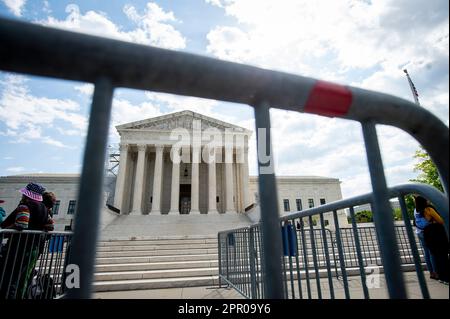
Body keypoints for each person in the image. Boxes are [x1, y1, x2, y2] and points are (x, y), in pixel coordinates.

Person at [0, 182, 50, 299]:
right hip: (34, 248)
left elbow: (21, 224)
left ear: (27, 195)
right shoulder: (45, 209)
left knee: (10, 278)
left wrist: (5, 230)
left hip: (19, 248)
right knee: (23, 278)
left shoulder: (25, 206)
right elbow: (50, 226)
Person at [414, 195, 449, 284]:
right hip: (432, 232)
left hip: (422, 232)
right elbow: (440, 220)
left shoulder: (416, 210)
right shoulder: (428, 209)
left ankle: (432, 273)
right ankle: (438, 273)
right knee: (435, 253)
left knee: (428, 253)